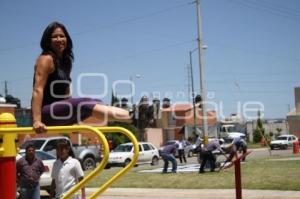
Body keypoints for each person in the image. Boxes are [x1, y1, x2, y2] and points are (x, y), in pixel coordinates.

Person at [31, 21, 132, 133]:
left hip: (60, 112)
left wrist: (73, 119)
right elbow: (37, 90)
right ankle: (133, 118)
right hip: (45, 113)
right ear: (48, 41)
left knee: (95, 101)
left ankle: (134, 115)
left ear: (67, 39)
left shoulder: (66, 62)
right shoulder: (45, 59)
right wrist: (36, 121)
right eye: (54, 37)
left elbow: (66, 94)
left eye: (62, 36)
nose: (59, 39)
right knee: (84, 103)